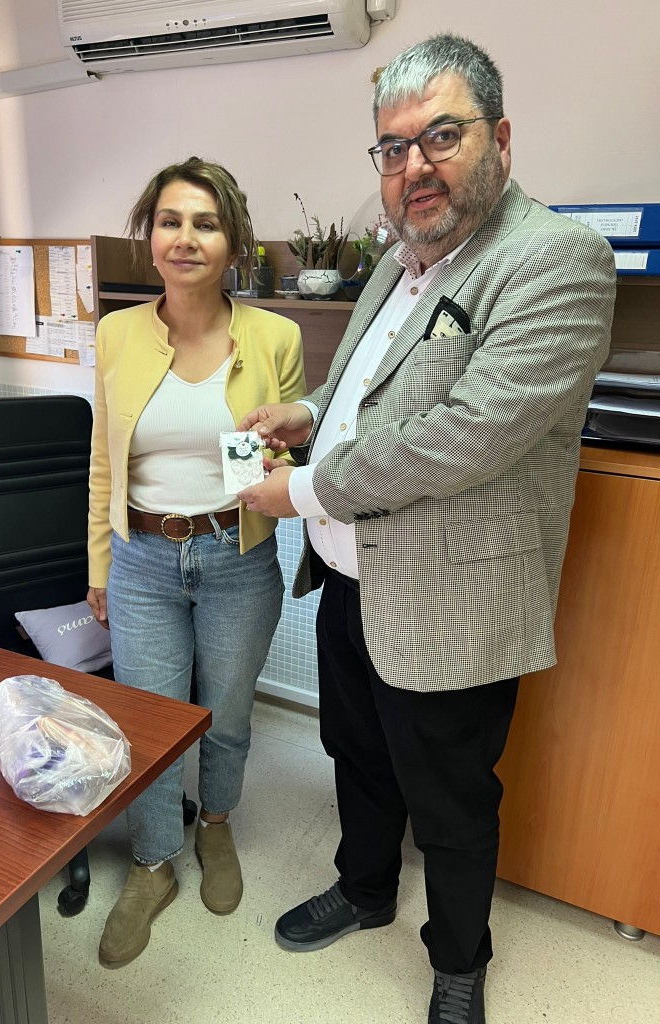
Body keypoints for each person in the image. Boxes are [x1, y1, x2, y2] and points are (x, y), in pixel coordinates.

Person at [237, 34, 616, 1024]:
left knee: (450, 798)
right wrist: (307, 415)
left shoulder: (554, 258)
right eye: (393, 148)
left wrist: (302, 490)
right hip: (349, 579)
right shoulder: (401, 258)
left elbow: (461, 439)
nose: (415, 166)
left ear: (500, 136)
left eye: (441, 136)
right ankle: (364, 888)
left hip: (451, 595)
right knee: (356, 756)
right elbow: (364, 389)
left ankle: (458, 963)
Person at [87, 156, 305, 967]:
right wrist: (99, 567)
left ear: (233, 243)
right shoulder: (116, 333)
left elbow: (286, 453)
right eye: (170, 221)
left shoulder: (274, 337)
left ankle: (215, 824)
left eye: (205, 224)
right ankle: (153, 864)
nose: (185, 238)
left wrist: (285, 462)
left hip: (236, 557)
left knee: (228, 713)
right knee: (147, 724)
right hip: (142, 558)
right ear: (149, 237)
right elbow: (103, 463)